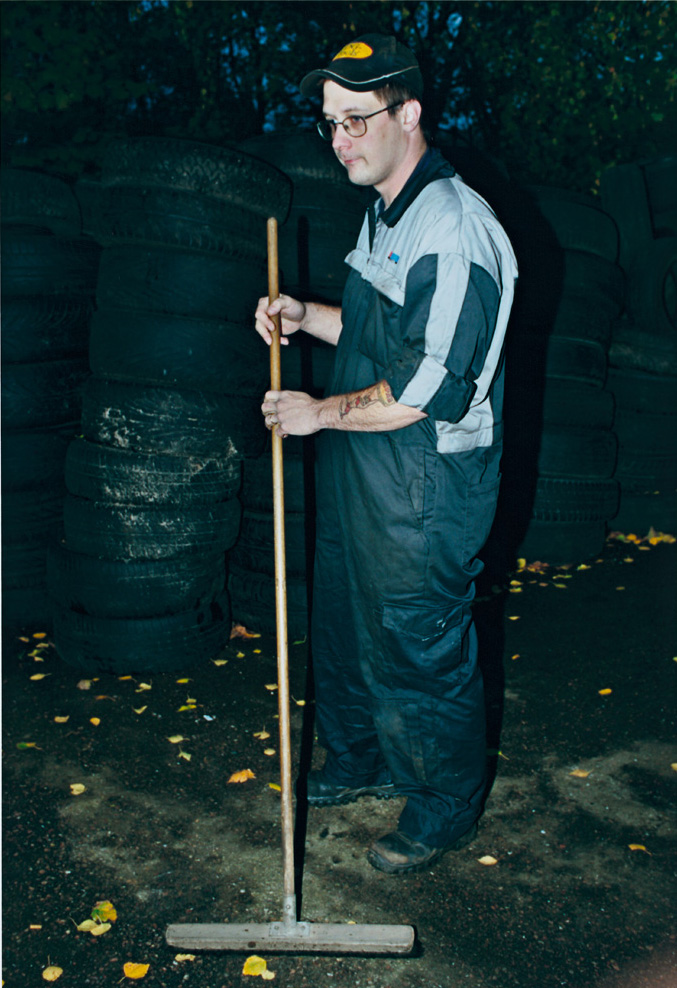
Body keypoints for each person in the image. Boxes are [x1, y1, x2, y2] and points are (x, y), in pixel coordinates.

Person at [254, 33, 517, 875]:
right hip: (366, 464)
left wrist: (317, 412)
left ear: (409, 115)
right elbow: (378, 340)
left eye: (357, 120)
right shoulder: (385, 210)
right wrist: (305, 316)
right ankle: (361, 757)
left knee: (415, 639)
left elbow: (427, 387)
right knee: (345, 617)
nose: (341, 141)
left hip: (425, 476)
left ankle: (442, 806)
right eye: (330, 123)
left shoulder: (454, 228)